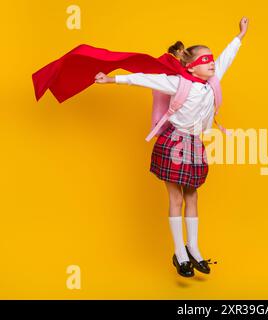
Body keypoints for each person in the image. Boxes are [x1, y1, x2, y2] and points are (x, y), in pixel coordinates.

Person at [94, 17, 249, 277]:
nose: (211, 63)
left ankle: (194, 249)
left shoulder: (213, 82)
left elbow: (226, 58)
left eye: (211, 59)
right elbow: (143, 79)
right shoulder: (178, 83)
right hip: (174, 142)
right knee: (176, 198)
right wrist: (112, 81)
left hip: (194, 145)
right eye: (204, 60)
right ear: (189, 67)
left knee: (193, 196)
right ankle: (179, 254)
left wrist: (240, 36)